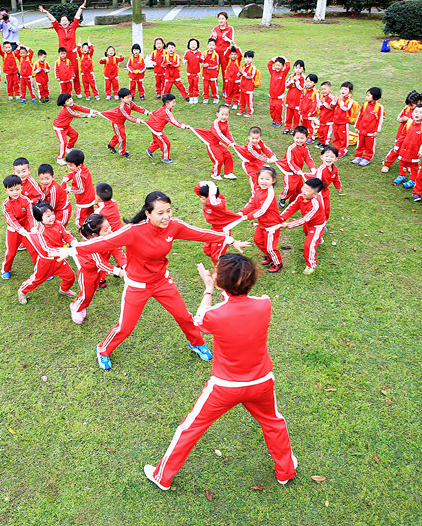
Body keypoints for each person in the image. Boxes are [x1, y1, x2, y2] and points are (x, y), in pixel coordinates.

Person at [143, 254, 297, 491]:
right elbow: (238, 303)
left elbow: (199, 320)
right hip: (262, 382)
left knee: (190, 428)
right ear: (252, 281)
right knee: (273, 422)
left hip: (225, 387)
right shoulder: (264, 304)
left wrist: (208, 289)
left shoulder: (213, 315)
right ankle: (286, 471)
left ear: (220, 282)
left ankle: (162, 476)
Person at [51, 191, 250, 371]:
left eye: (168, 211)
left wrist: (229, 240)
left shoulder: (174, 226)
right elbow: (103, 242)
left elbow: (200, 233)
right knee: (125, 327)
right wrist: (71, 250)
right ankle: (103, 349)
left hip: (162, 282)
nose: (166, 216)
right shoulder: (133, 231)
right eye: (160, 213)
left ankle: (196, 343)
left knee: (184, 316)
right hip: (137, 286)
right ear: (148, 214)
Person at [18, 201, 77, 304]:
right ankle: (22, 291)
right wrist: (65, 251)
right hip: (46, 262)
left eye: (52, 214)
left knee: (70, 275)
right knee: (36, 280)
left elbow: (66, 235)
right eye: (48, 216)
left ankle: (64, 289)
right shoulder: (40, 232)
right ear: (40, 219)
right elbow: (47, 249)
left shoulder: (58, 224)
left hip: (59, 259)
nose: (52, 217)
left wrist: (73, 241)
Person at [70, 213, 125, 324]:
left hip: (99, 272)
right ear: (95, 235)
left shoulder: (110, 236)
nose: (110, 231)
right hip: (87, 273)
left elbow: (117, 250)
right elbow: (100, 263)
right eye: (105, 230)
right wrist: (117, 271)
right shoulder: (91, 246)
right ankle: (76, 307)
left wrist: (125, 265)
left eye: (109, 226)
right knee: (86, 294)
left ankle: (82, 305)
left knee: (92, 292)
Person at [240, 166, 284, 272]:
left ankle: (277, 262)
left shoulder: (270, 193)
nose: (264, 181)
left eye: (267, 179)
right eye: (261, 178)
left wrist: (248, 216)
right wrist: (243, 211)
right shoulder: (258, 190)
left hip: (272, 225)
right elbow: (252, 203)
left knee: (270, 247)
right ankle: (269, 256)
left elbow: (262, 210)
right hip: (262, 223)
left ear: (273, 181)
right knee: (258, 240)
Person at [39, 0, 86, 97]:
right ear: (60, 22)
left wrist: (80, 8)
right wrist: (46, 12)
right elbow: (53, 20)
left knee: (75, 73)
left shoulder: (72, 28)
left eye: (66, 20)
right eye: (62, 20)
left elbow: (76, 18)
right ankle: (65, 92)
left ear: (69, 22)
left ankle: (78, 92)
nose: (64, 22)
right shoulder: (58, 29)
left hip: (72, 53)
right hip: (63, 54)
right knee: (63, 73)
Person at [281, 177, 327, 275]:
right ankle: (318, 239)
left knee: (309, 245)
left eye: (307, 190)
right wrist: (282, 218)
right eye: (303, 187)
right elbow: (292, 207)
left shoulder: (315, 205)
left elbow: (304, 219)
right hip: (308, 224)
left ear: (315, 194)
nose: (303, 191)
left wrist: (288, 224)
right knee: (307, 233)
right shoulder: (301, 196)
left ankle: (311, 264)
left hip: (316, 226)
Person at [194, 181, 242, 267]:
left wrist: (212, 186)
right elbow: (197, 189)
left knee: (217, 256)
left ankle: (219, 270)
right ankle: (225, 261)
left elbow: (212, 199)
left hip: (223, 230)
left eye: (203, 198)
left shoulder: (217, 205)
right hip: (214, 229)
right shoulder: (208, 201)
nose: (200, 200)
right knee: (207, 249)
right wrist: (207, 182)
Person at [1, 174, 38, 280]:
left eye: (17, 189)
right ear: (6, 191)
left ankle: (41, 270)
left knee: (34, 250)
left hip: (27, 228)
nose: (15, 192)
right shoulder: (6, 204)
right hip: (14, 231)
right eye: (11, 190)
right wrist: (20, 230)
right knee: (11, 252)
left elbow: (31, 215)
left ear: (21, 187)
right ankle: (5, 269)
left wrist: (33, 227)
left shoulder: (26, 200)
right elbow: (10, 220)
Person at [380, 90, 422, 173]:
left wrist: (409, 120)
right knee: (396, 149)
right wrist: (402, 119)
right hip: (402, 134)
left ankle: (409, 165)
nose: (409, 106)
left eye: (411, 104)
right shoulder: (406, 109)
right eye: (408, 104)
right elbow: (398, 118)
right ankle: (387, 163)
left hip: (413, 138)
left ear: (418, 102)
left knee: (411, 151)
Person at [190, 104, 237, 180]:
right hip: (212, 144)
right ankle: (215, 174)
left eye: (226, 115)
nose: (224, 117)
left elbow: (228, 133)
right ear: (217, 114)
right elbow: (219, 134)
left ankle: (228, 173)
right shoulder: (215, 123)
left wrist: (232, 141)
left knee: (228, 155)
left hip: (218, 144)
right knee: (219, 159)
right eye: (222, 114)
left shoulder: (226, 123)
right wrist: (228, 143)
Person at [93, 182, 127, 285]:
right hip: (120, 234)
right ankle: (122, 267)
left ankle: (102, 280)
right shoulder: (114, 202)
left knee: (104, 258)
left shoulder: (99, 212)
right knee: (119, 253)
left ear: (98, 198)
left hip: (109, 237)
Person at [101, 88, 150, 158]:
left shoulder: (130, 103)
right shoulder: (122, 107)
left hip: (121, 122)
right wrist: (139, 120)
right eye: (127, 98)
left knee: (119, 135)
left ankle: (111, 145)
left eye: (130, 96)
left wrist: (146, 112)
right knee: (122, 137)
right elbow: (128, 117)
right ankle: (122, 152)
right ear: (122, 99)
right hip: (117, 123)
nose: (130, 99)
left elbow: (137, 108)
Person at [53, 93, 98, 166]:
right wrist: (90, 115)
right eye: (67, 101)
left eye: (70, 99)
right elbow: (76, 114)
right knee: (63, 142)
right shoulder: (67, 110)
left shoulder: (72, 105)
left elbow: (80, 108)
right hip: (59, 128)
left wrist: (91, 111)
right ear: (64, 104)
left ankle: (68, 148)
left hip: (66, 126)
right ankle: (60, 159)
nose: (70, 101)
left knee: (74, 135)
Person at [276, 126, 316, 207]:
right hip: (289, 171)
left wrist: (313, 168)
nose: (299, 140)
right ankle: (282, 198)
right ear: (293, 137)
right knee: (290, 188)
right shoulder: (291, 149)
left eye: (302, 138)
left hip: (298, 172)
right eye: (297, 138)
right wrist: (297, 170)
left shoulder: (305, 148)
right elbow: (290, 161)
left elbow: (308, 158)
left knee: (299, 188)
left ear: (306, 138)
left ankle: (293, 201)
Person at [145, 93, 190, 164]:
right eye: (173, 102)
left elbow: (154, 114)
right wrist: (184, 126)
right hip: (156, 129)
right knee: (166, 143)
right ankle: (165, 158)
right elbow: (174, 121)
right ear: (167, 104)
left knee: (159, 141)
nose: (175, 104)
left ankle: (149, 150)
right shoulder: (166, 112)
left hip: (153, 127)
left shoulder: (163, 109)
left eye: (175, 102)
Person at [392, 104, 422, 188]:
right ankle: (402, 175)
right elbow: (402, 136)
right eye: (416, 112)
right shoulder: (408, 124)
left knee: (413, 166)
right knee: (402, 162)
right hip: (405, 149)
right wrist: (397, 145)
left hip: (415, 150)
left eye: (420, 112)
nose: (417, 114)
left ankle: (412, 179)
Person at [306, 146, 342, 220]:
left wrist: (338, 186)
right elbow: (317, 182)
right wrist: (316, 194)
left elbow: (336, 177)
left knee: (326, 207)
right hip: (319, 192)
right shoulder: (321, 170)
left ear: (336, 159)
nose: (329, 158)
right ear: (321, 157)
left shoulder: (334, 168)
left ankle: (324, 220)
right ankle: (316, 220)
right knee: (319, 207)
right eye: (326, 156)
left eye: (332, 157)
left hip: (325, 191)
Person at [62, 149, 96, 227]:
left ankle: (84, 233)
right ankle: (93, 229)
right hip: (90, 197)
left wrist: (69, 189)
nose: (69, 167)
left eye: (71, 165)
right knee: (91, 217)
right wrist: (67, 177)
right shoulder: (84, 168)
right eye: (68, 164)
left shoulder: (79, 175)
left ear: (79, 165)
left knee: (79, 220)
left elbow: (80, 190)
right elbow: (74, 172)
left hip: (83, 201)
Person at [352, 86, 384, 166]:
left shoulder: (379, 107)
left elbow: (380, 120)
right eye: (366, 95)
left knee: (369, 146)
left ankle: (367, 158)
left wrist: (377, 131)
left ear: (375, 96)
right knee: (360, 144)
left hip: (371, 132)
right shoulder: (365, 105)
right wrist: (357, 126)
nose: (366, 97)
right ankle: (358, 156)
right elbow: (360, 116)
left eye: (368, 95)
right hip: (362, 130)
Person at [209, 12, 235, 89]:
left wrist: (225, 37)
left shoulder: (230, 28)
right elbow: (211, 41)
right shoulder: (215, 29)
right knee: (214, 72)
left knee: (225, 72)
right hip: (216, 53)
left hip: (225, 53)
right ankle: (215, 90)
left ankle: (225, 90)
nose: (221, 20)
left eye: (222, 19)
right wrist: (214, 37)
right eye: (219, 19)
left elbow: (231, 40)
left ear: (226, 19)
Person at [331, 81, 354, 157]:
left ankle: (343, 149)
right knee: (336, 134)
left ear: (350, 91)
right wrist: (335, 100)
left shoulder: (350, 100)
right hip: (336, 120)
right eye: (342, 89)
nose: (343, 91)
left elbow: (345, 108)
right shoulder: (340, 98)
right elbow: (332, 106)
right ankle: (335, 148)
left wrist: (340, 101)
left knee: (343, 136)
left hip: (344, 121)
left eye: (345, 89)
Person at [283, 60, 305, 134]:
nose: (297, 70)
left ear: (303, 69)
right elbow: (286, 85)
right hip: (290, 98)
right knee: (288, 114)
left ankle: (295, 128)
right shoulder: (291, 76)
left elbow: (301, 88)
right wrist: (292, 81)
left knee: (297, 115)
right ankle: (287, 127)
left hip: (298, 99)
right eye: (296, 67)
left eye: (299, 68)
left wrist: (297, 82)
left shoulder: (303, 78)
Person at [267, 56, 290, 127]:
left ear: (283, 66)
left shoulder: (283, 73)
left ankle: (278, 121)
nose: (277, 67)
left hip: (279, 97)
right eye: (276, 65)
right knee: (272, 109)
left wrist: (284, 58)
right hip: (272, 96)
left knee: (278, 110)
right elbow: (269, 64)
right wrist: (274, 58)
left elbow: (288, 66)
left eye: (279, 65)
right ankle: (274, 120)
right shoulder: (272, 72)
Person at [238, 50, 261, 117]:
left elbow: (251, 76)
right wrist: (239, 72)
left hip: (249, 86)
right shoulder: (243, 66)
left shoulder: (253, 67)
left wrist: (243, 73)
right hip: (242, 85)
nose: (247, 59)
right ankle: (241, 109)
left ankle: (250, 111)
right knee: (242, 99)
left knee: (249, 100)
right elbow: (238, 75)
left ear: (252, 59)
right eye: (246, 58)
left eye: (249, 58)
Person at [315, 81, 336, 149]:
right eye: (322, 89)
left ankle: (326, 144)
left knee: (327, 132)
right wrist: (321, 103)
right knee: (320, 131)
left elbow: (331, 107)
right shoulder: (322, 97)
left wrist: (324, 103)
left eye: (325, 89)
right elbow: (319, 107)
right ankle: (321, 141)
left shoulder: (332, 98)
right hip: (322, 118)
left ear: (330, 89)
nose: (323, 91)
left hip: (329, 119)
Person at [299, 74, 319, 143]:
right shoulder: (304, 90)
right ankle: (304, 135)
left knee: (311, 125)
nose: (308, 83)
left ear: (315, 83)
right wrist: (300, 109)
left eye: (310, 82)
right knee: (304, 124)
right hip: (304, 112)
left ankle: (311, 137)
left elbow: (316, 103)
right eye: (307, 81)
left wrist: (311, 112)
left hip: (310, 114)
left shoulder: (315, 92)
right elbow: (301, 100)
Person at [184, 38, 204, 104]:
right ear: (189, 45)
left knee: (196, 85)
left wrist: (203, 63)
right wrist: (185, 61)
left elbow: (202, 60)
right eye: (191, 44)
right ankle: (191, 96)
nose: (193, 45)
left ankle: (195, 96)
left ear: (197, 45)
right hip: (189, 72)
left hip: (196, 72)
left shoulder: (199, 53)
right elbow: (185, 58)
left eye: (194, 44)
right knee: (190, 85)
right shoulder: (187, 52)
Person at [202, 38, 220, 104]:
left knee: (213, 87)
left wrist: (208, 65)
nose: (211, 46)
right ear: (207, 46)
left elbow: (216, 64)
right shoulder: (204, 53)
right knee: (205, 86)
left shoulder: (215, 55)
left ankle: (215, 97)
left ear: (215, 46)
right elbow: (202, 61)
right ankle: (205, 98)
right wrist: (203, 64)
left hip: (213, 74)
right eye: (210, 45)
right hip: (205, 74)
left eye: (213, 45)